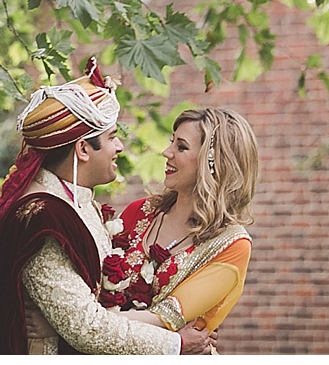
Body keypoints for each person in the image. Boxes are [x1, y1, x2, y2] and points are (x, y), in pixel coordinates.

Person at [0, 61, 216, 354]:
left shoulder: (74, 200)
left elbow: (88, 307)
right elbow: (86, 327)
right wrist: (176, 344)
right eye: (112, 137)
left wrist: (57, 326)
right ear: (82, 149)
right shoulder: (42, 217)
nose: (119, 147)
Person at [97, 108, 259, 337]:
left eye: (181, 147)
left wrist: (93, 319)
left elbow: (168, 317)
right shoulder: (139, 211)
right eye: (171, 142)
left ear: (213, 163)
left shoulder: (233, 245)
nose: (166, 152)